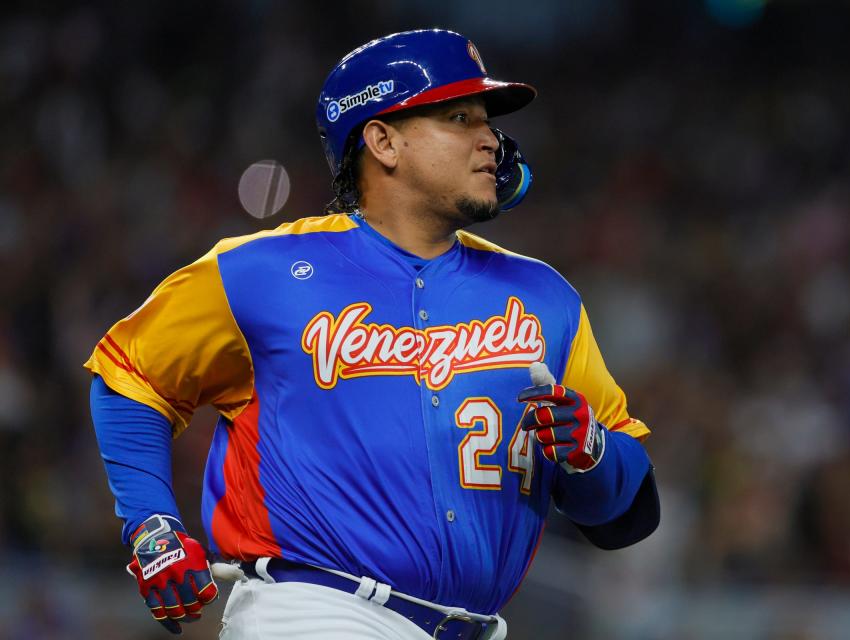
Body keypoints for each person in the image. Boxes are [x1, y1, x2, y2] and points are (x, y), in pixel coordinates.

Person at [85, 29, 660, 639]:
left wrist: (593, 452)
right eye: (458, 116)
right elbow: (132, 377)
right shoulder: (260, 271)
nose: (490, 138)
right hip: (317, 612)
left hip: (476, 626)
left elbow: (628, 517)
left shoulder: (543, 297)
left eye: (486, 120)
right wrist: (152, 525)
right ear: (383, 141)